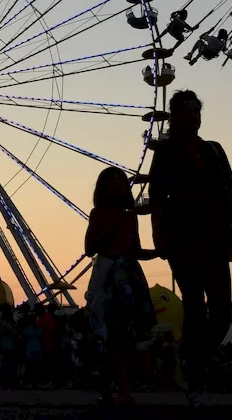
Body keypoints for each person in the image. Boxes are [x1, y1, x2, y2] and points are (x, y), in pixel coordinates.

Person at [148, 90, 232, 405]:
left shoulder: (214, 150)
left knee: (222, 310)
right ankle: (196, 369)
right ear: (174, 116)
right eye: (186, 111)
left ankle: (192, 356)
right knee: (195, 303)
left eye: (196, 111)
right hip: (182, 237)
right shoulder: (165, 153)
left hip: (214, 234)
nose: (193, 117)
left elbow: (231, 185)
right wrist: (158, 236)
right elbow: (157, 198)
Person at [84, 166, 157, 406]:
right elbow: (89, 249)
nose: (117, 185)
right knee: (112, 333)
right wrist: (109, 234)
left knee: (123, 334)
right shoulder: (98, 214)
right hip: (109, 275)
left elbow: (135, 250)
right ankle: (116, 389)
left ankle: (118, 388)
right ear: (102, 187)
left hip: (127, 274)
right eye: (111, 181)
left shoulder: (129, 216)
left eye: (120, 181)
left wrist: (157, 253)